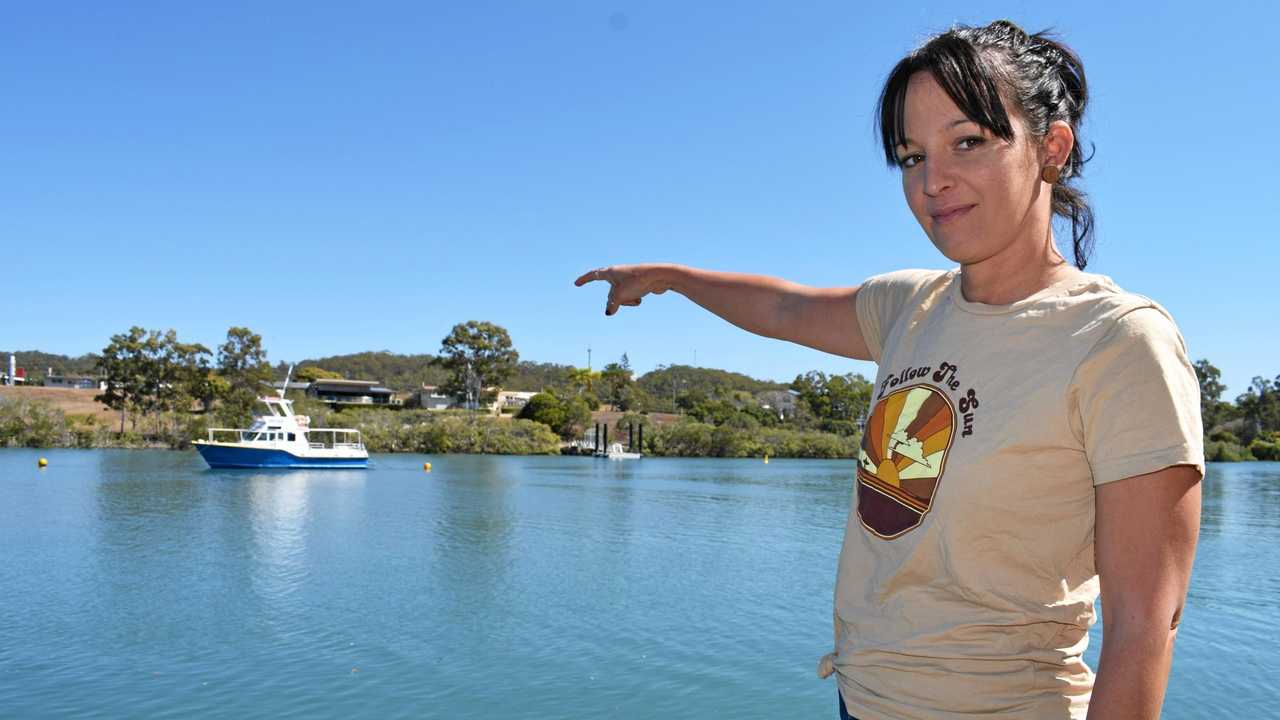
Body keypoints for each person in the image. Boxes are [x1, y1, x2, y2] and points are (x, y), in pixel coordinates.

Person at [574, 19, 1202, 720]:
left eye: (969, 142)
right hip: (864, 701)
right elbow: (783, 308)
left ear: (1051, 149)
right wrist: (669, 277)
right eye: (910, 156)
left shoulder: (1117, 341)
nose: (934, 181)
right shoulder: (912, 305)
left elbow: (1148, 625)